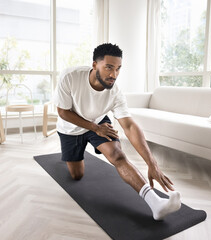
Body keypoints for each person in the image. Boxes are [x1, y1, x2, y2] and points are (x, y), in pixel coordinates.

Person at [53, 43, 181, 220]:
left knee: (118, 155)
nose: (114, 75)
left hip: (98, 122)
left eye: (118, 69)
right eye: (109, 68)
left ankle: (156, 203)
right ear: (94, 65)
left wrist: (152, 163)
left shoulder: (115, 92)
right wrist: (94, 128)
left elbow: (129, 126)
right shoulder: (70, 77)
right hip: (71, 127)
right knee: (77, 175)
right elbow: (63, 112)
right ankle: (74, 154)